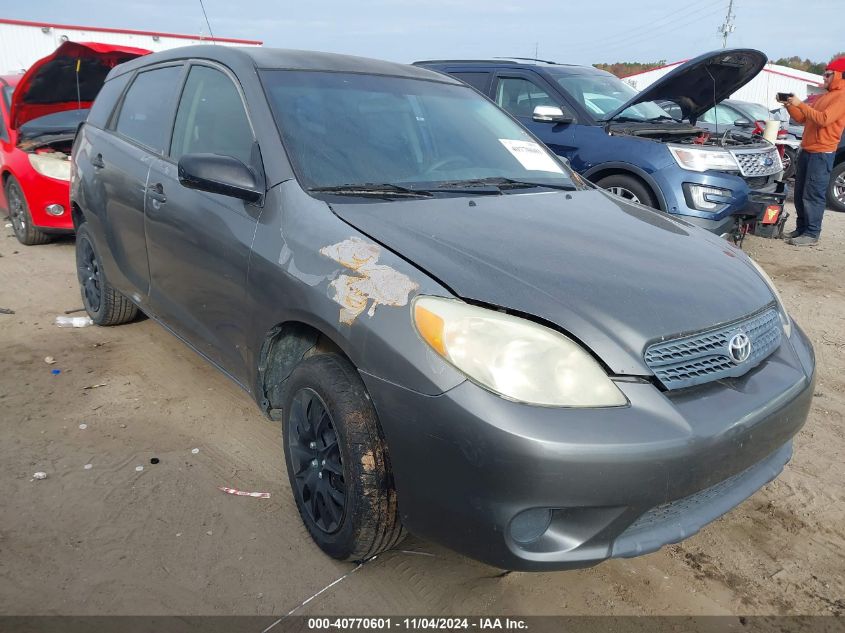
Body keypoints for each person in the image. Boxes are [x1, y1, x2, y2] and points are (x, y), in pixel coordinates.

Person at [781, 57, 845, 246]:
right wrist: (789, 105)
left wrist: (800, 103)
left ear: (840, 76)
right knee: (801, 192)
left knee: (813, 193)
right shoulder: (823, 96)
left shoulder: (842, 96)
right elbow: (803, 118)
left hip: (822, 152)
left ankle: (811, 233)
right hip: (807, 150)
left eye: (828, 74)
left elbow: (824, 119)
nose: (824, 77)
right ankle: (802, 229)